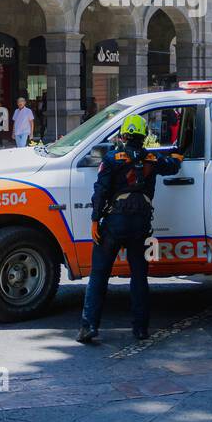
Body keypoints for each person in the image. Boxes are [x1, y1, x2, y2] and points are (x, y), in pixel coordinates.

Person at [77, 114, 184, 343]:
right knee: (139, 276)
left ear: (124, 135)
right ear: (144, 136)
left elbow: (100, 192)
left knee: (99, 274)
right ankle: (140, 329)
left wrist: (95, 220)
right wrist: (179, 150)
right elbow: (173, 165)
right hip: (140, 226)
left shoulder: (112, 158)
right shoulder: (153, 158)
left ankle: (89, 327)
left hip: (114, 224)